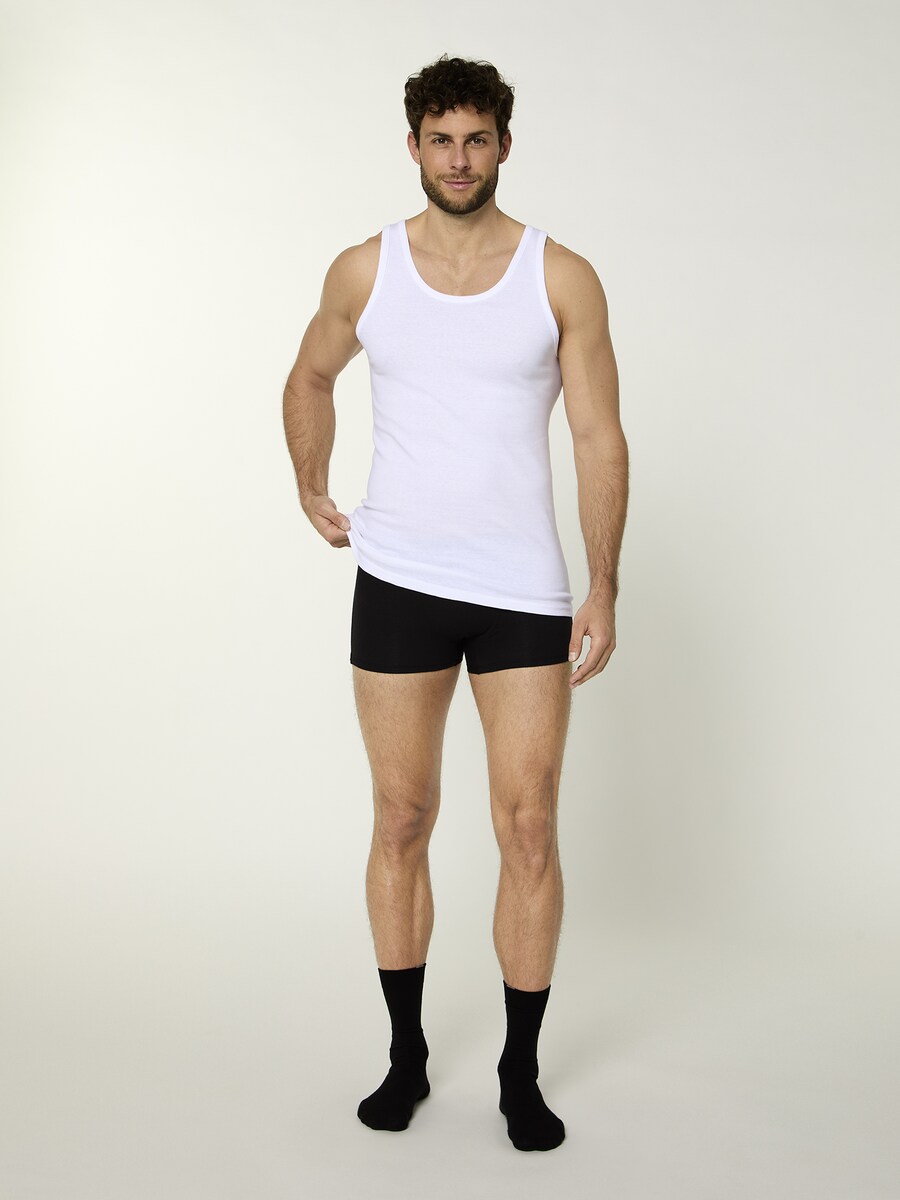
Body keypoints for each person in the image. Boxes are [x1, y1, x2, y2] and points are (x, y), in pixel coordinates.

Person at [282, 53, 628, 1152]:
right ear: (414, 147)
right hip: (399, 579)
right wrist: (310, 482)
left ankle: (521, 1072)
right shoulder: (367, 269)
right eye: (442, 140)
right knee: (401, 817)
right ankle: (407, 1055)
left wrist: (604, 581)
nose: (460, 159)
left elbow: (597, 434)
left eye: (478, 139)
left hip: (522, 588)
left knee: (527, 825)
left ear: (505, 146)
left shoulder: (561, 276)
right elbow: (310, 375)